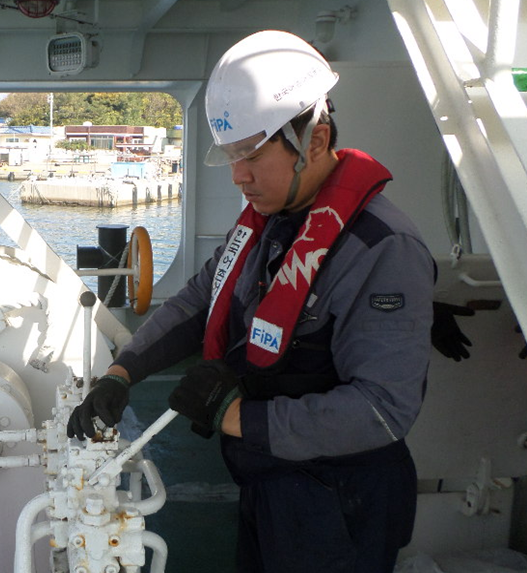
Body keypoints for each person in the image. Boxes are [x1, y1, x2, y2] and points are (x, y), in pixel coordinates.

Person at [67, 30, 435, 573]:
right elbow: (199, 300)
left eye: (252, 156)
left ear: (314, 139)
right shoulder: (271, 224)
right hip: (271, 484)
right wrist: (123, 373)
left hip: (339, 503)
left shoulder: (381, 248)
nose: (239, 177)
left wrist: (234, 416)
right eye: (231, 157)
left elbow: (381, 410)